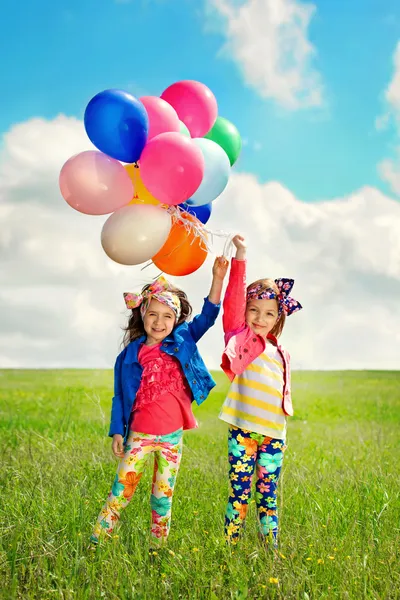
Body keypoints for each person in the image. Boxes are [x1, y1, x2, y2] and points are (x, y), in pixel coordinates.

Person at [91, 257, 228, 547]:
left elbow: (209, 315)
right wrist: (117, 430)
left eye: (167, 316)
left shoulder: (183, 339)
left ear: (176, 320)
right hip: (138, 437)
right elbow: (119, 396)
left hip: (171, 438)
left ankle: (157, 548)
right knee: (120, 492)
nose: (159, 322)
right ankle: (96, 542)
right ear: (142, 314)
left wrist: (217, 278)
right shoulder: (129, 355)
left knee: (162, 497)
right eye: (153, 314)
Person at [219, 235, 302, 548]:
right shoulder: (241, 341)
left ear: (278, 316)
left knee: (268, 497)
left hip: (274, 435)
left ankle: (271, 549)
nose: (260, 318)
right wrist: (241, 257)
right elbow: (233, 304)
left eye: (269, 313)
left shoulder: (281, 351)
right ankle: (229, 547)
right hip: (243, 432)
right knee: (239, 493)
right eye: (254, 310)